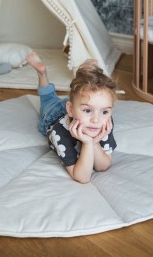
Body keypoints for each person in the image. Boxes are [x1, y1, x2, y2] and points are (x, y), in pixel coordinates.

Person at [27, 52, 117, 184]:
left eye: (105, 111)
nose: (96, 120)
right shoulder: (59, 132)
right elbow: (82, 177)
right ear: (70, 109)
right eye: (88, 111)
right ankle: (42, 73)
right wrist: (87, 144)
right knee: (48, 99)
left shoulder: (104, 123)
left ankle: (84, 72)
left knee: (82, 91)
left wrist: (94, 142)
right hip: (53, 114)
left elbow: (102, 166)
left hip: (78, 107)